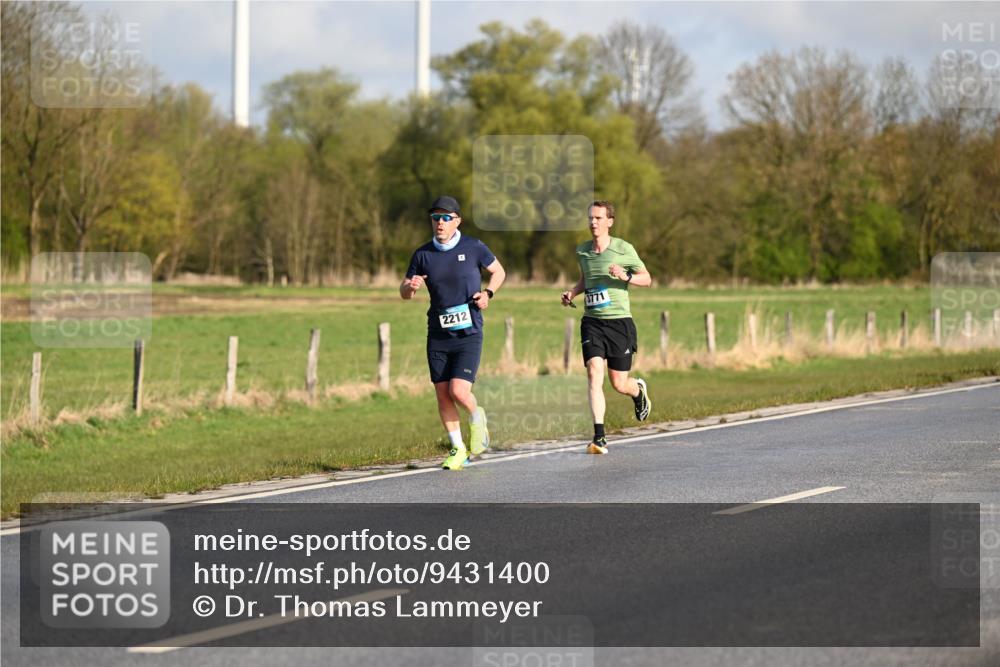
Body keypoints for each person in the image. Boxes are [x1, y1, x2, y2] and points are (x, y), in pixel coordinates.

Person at [401, 195, 506, 470]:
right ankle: (458, 448)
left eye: (446, 218)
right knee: (442, 393)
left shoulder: (473, 247)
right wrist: (410, 287)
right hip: (438, 333)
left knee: (459, 391)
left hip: (469, 331)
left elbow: (499, 271)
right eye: (435, 218)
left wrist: (488, 294)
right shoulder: (423, 254)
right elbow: (404, 292)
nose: (440, 223)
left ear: (457, 220)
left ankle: (477, 417)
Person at [561, 200, 652, 455]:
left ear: (609, 222)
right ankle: (599, 436)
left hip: (619, 323)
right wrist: (573, 292)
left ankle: (638, 391)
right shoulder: (583, 251)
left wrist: (627, 277)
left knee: (619, 383)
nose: (593, 222)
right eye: (590, 218)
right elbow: (585, 279)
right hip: (592, 323)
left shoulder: (624, 249)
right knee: (593, 372)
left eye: (599, 218)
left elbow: (648, 279)